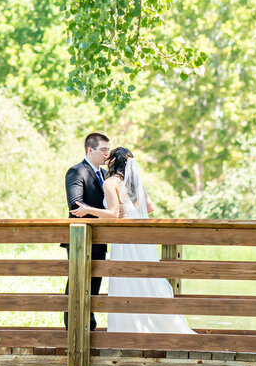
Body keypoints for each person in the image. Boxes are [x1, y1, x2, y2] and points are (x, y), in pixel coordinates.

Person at [71, 145, 192, 337]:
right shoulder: (134, 182)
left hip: (123, 240)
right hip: (141, 239)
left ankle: (126, 329)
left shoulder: (111, 182)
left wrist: (88, 210)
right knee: (145, 277)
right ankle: (152, 324)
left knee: (125, 278)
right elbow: (150, 207)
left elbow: (111, 214)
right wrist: (129, 210)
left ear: (112, 162)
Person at [63, 133, 109, 330]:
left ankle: (89, 326)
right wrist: (105, 214)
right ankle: (72, 328)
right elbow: (76, 204)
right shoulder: (76, 171)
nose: (107, 154)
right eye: (103, 150)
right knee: (77, 283)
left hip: (100, 238)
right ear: (90, 150)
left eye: (108, 149)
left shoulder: (106, 175)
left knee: (95, 284)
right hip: (80, 238)